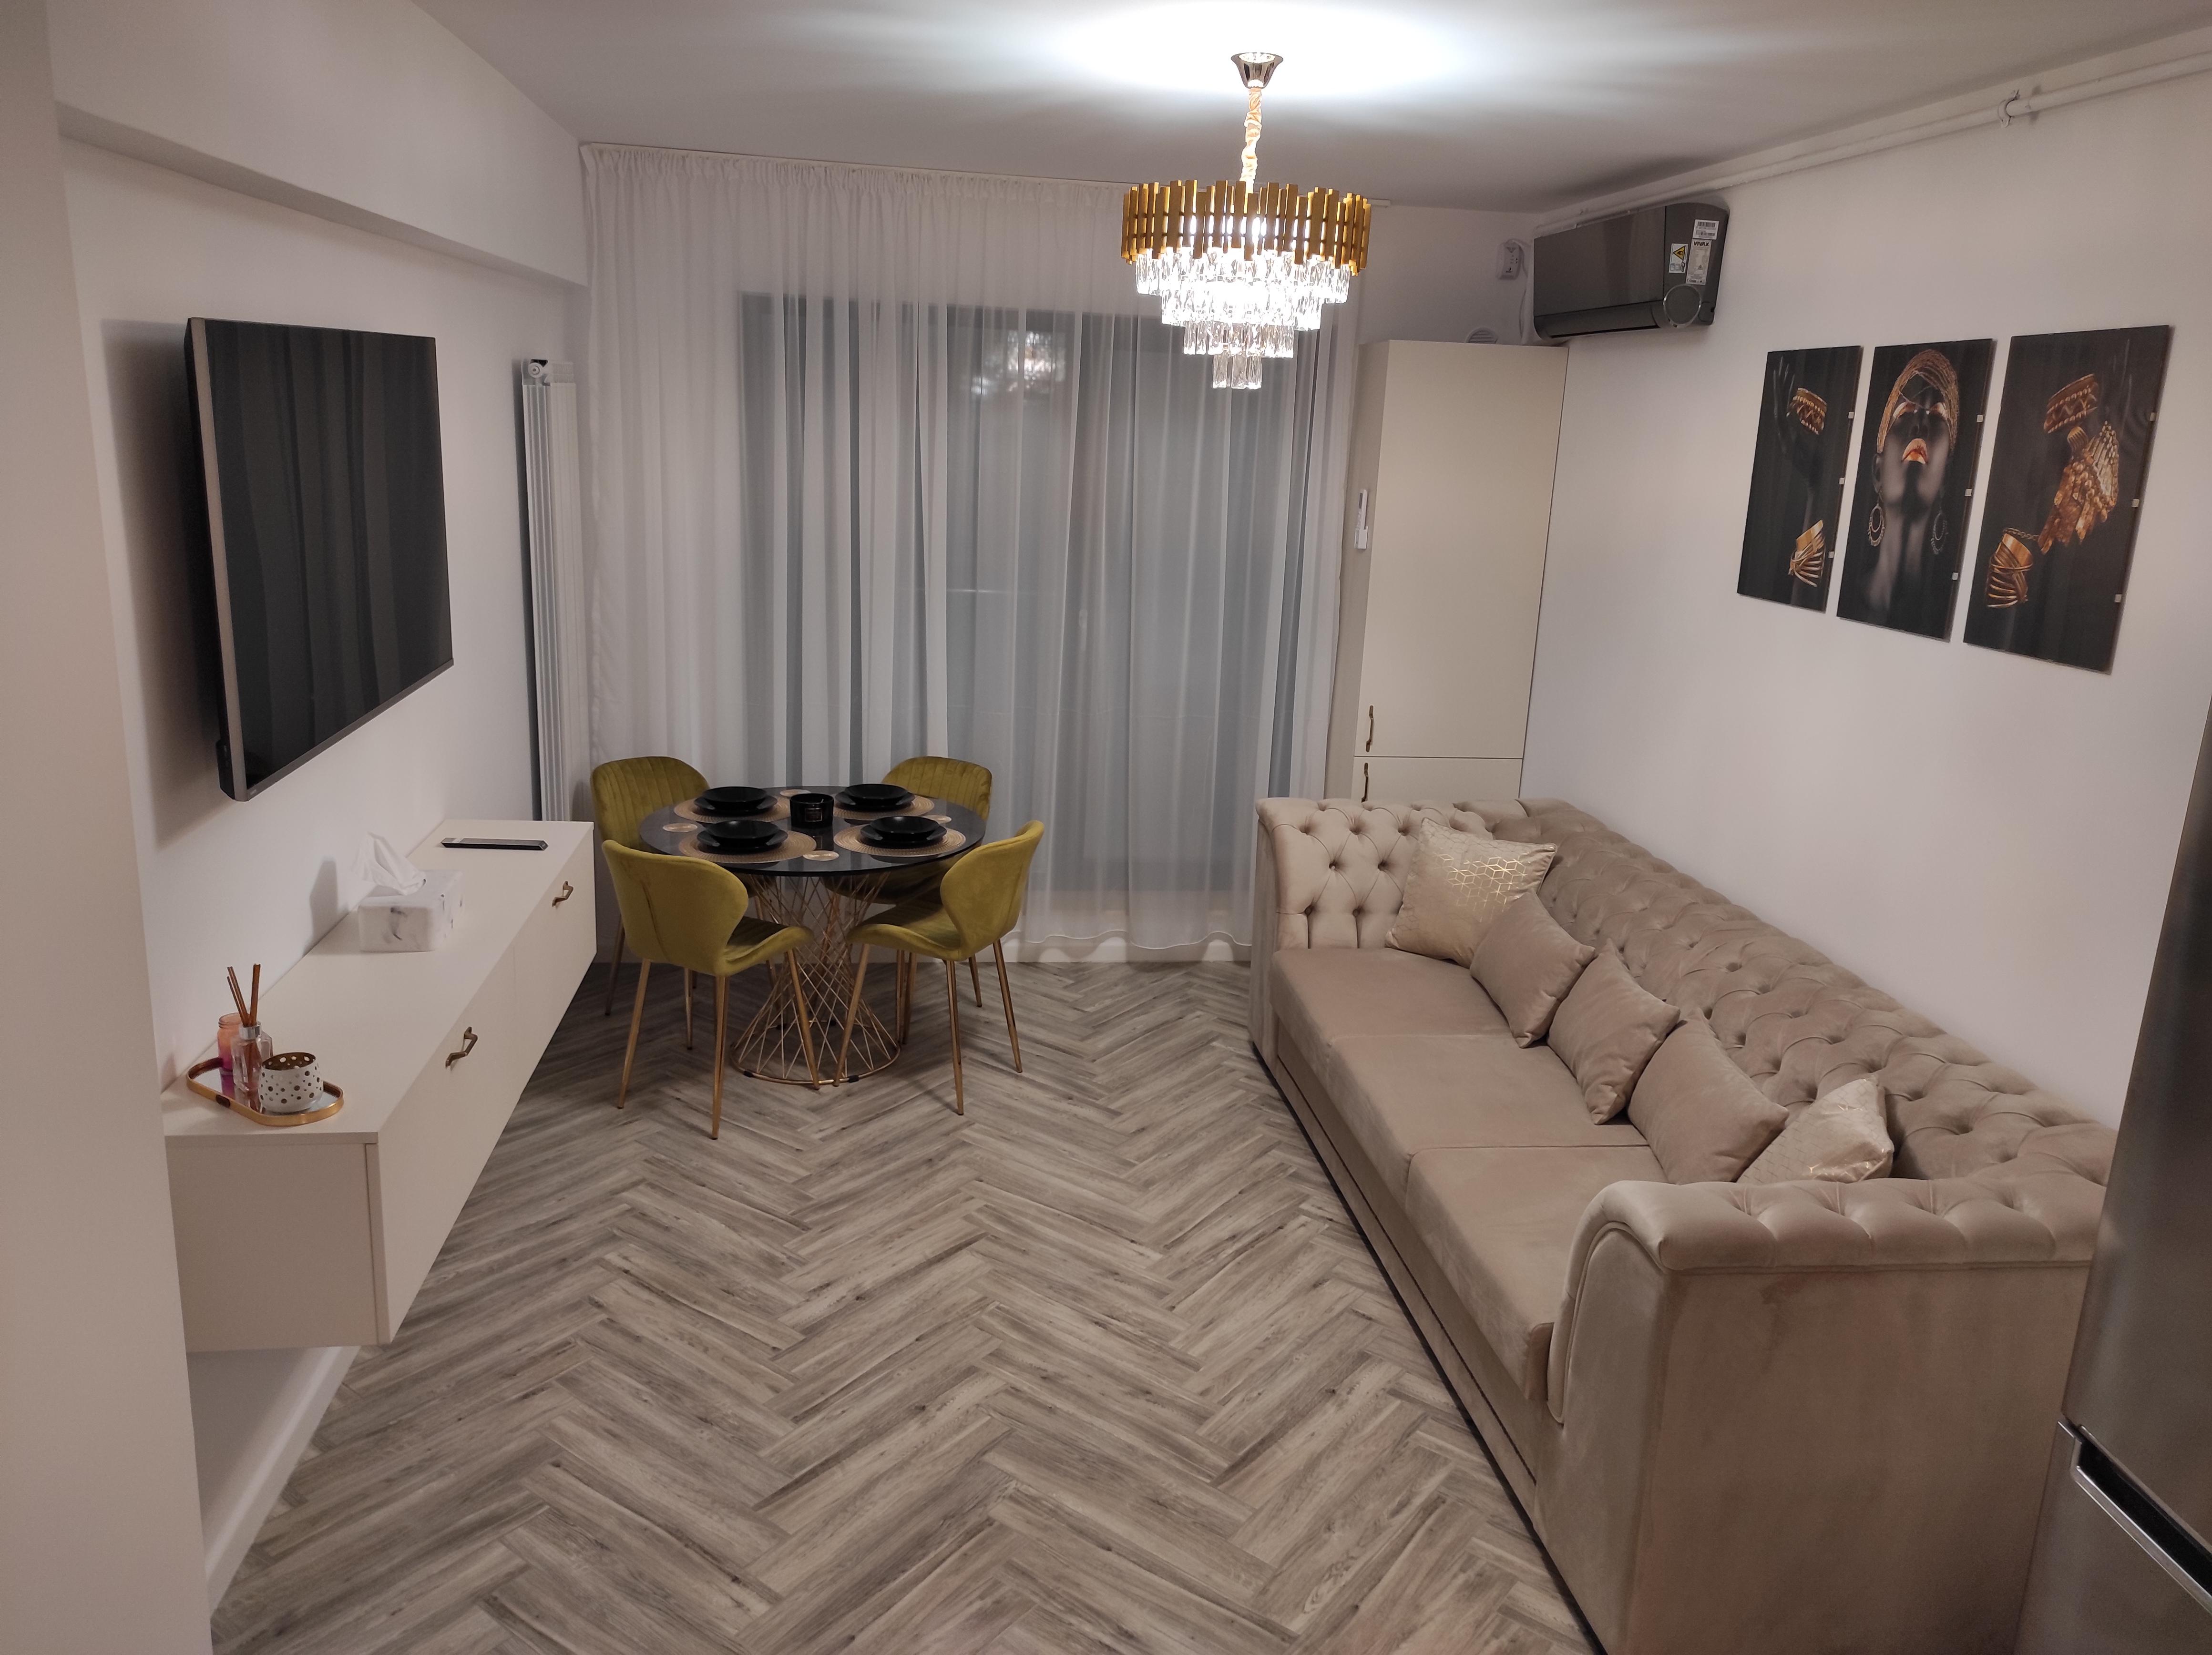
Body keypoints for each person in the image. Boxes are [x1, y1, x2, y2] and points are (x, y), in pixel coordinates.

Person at [1844, 348, 1960, 634]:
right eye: (1906, 412)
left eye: (1937, 416)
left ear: (1946, 479)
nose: (1920, 425)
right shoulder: (1844, 599)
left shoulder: (1945, 621)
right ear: (1877, 472)